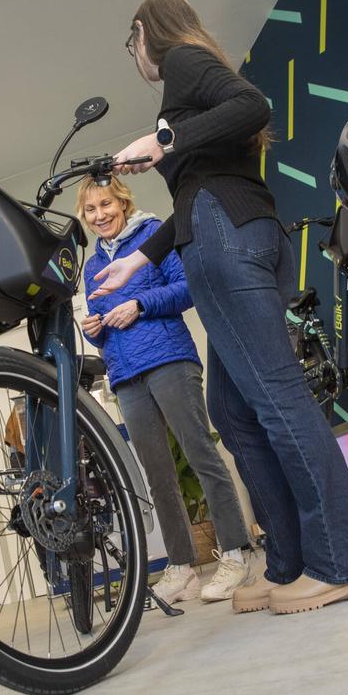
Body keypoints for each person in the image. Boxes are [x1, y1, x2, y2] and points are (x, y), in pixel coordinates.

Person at [92, 0, 348, 615]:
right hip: (227, 227)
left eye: (130, 43)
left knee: (278, 400)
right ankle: (289, 563)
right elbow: (198, 191)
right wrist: (137, 261)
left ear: (145, 31)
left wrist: (165, 139)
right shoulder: (191, 80)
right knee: (235, 412)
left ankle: (343, 563)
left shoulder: (181, 63)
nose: (135, 56)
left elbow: (254, 104)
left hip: (226, 238)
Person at [78, 175, 252, 604]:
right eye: (91, 210)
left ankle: (234, 553)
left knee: (201, 456)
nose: (100, 215)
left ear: (123, 202)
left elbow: (188, 288)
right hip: (125, 374)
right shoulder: (91, 266)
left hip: (169, 359)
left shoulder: (153, 234)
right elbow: (105, 323)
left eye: (106, 205)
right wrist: (94, 330)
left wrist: (138, 305)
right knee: (157, 475)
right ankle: (181, 567)